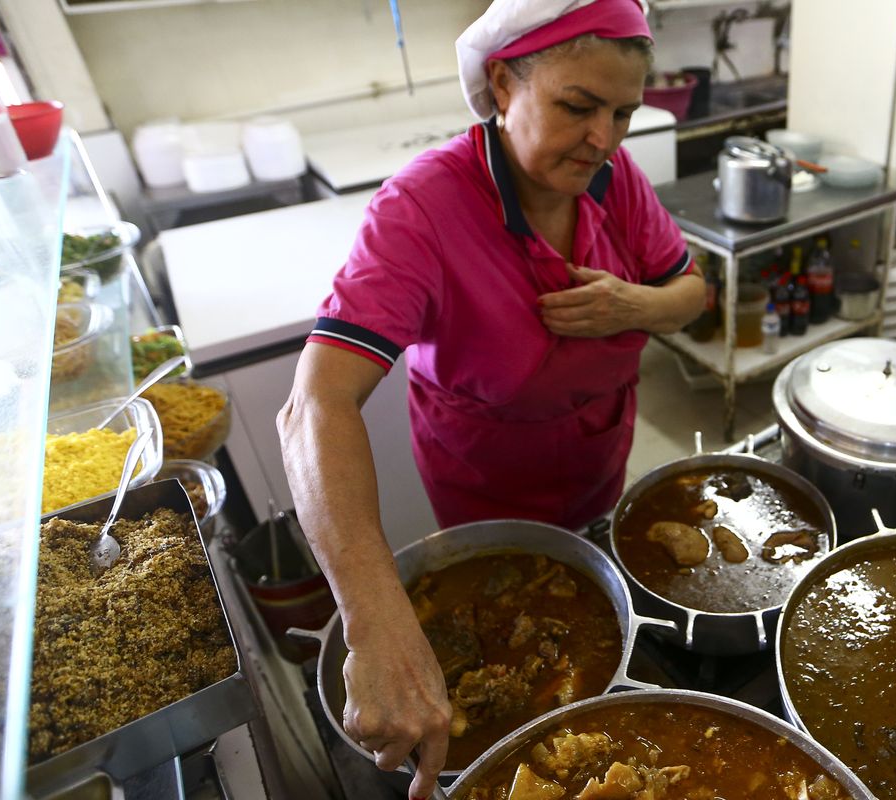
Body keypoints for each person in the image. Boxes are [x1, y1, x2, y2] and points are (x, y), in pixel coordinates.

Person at [275, 0, 704, 793]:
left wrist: (632, 305)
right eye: (578, 107)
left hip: (600, 461)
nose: (604, 140)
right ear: (504, 84)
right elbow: (314, 407)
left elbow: (691, 291)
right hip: (486, 482)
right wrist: (373, 623)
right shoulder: (422, 209)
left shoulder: (616, 180)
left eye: (622, 113)